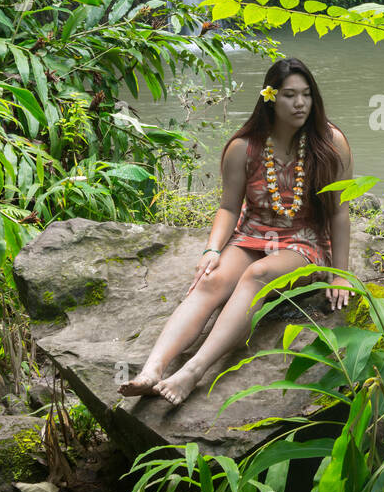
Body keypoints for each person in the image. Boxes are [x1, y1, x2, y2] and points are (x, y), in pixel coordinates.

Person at [118, 58, 354, 406]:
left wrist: (341, 275)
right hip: (252, 235)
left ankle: (192, 372)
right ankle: (152, 370)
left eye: (306, 95)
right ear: (270, 98)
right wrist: (212, 250)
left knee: (257, 276)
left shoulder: (330, 143)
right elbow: (229, 208)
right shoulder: (244, 147)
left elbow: (339, 211)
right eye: (290, 95)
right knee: (210, 282)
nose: (301, 103)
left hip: (304, 244)